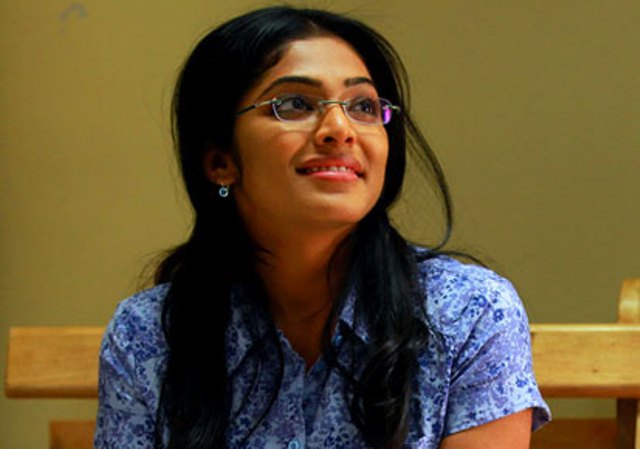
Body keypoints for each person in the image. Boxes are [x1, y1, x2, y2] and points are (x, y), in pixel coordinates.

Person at [94, 6, 550, 449]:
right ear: (220, 161)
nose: (339, 128)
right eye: (294, 104)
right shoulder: (148, 334)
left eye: (363, 106)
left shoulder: (468, 313)